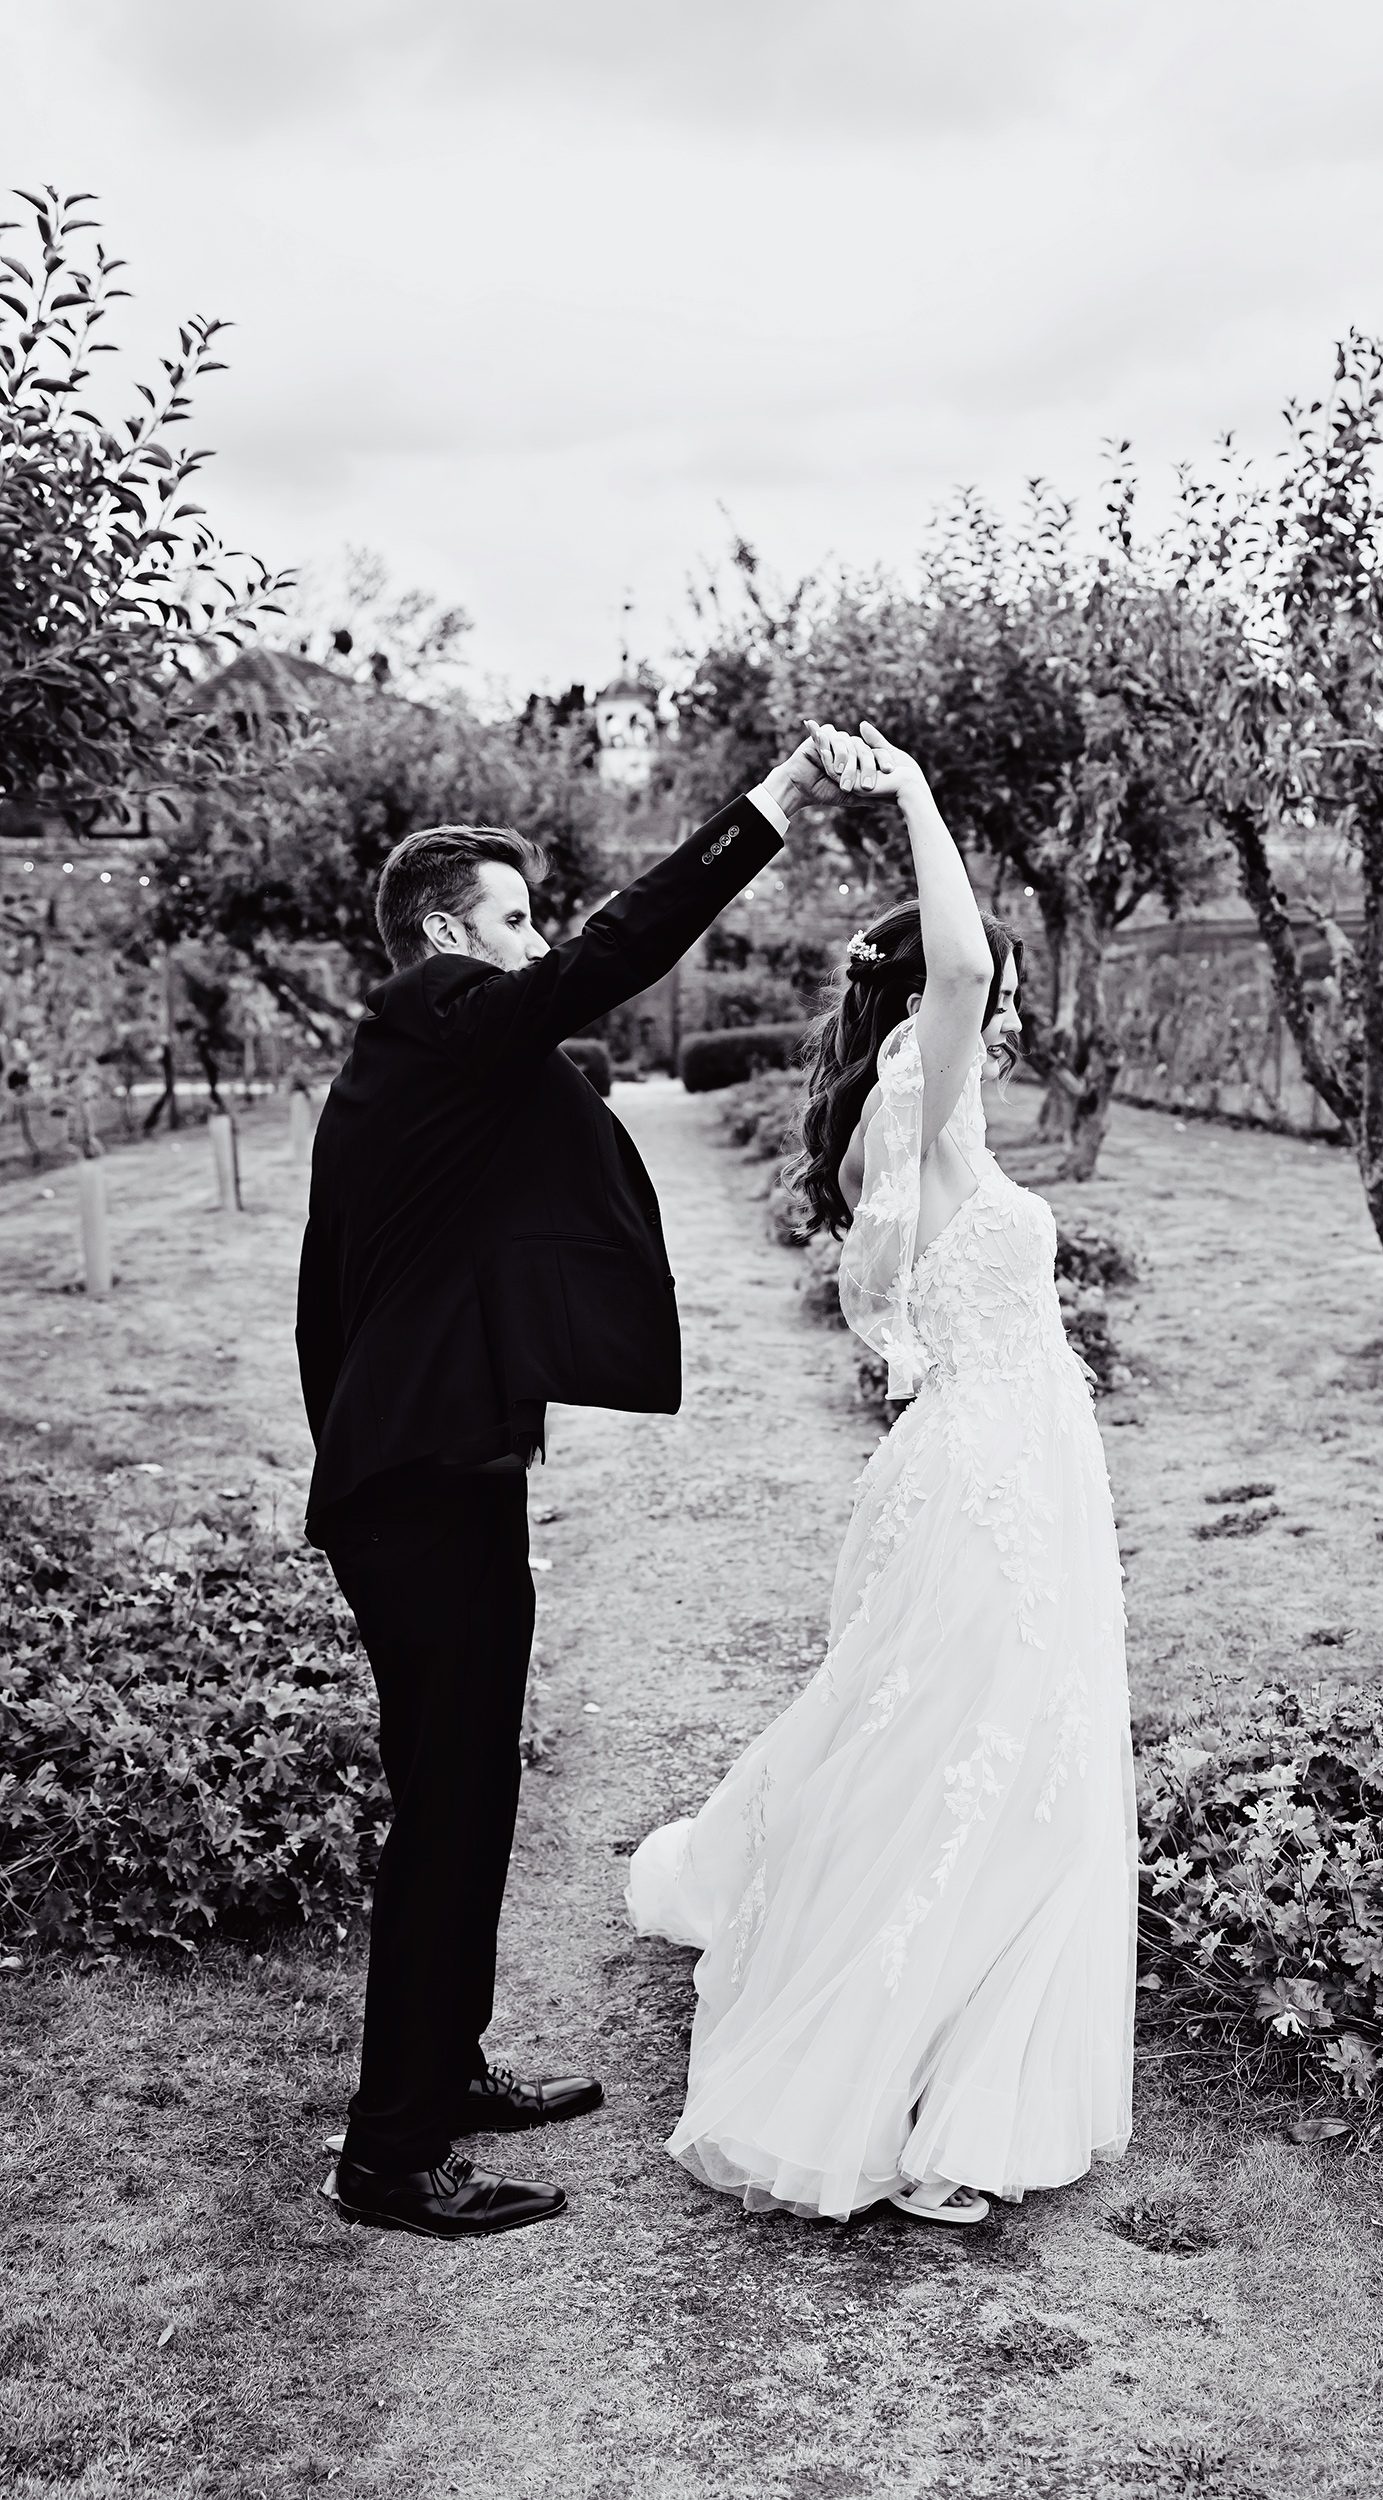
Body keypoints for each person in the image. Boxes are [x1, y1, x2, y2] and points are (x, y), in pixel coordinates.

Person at [298, 728, 858, 2240]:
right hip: (417, 1491)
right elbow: (615, 952)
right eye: (516, 919)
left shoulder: (430, 1067)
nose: (540, 945)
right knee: (448, 1808)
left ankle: (446, 2071)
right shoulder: (432, 1013)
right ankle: (389, 2158)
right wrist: (770, 808)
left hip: (441, 1475)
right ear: (445, 938)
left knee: (473, 1794)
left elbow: (338, 1294)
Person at [627, 721, 1137, 2226]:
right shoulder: (931, 1090)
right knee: (976, 1747)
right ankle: (909, 2074)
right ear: (927, 1007)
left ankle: (959, 2036)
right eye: (997, 995)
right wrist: (911, 787)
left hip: (1004, 1451)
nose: (1009, 1009)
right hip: (995, 1470)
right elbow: (965, 967)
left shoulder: (903, 1123)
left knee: (983, 1739)